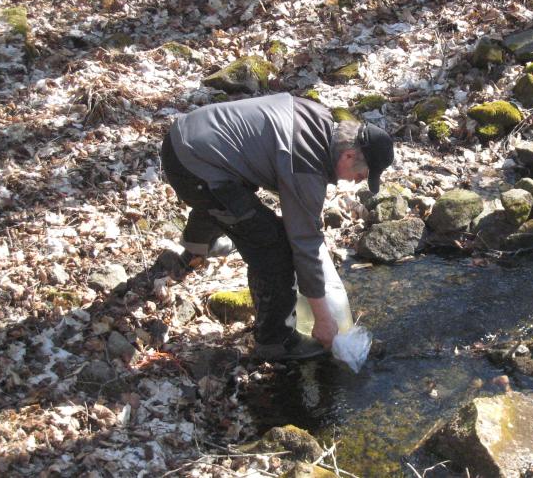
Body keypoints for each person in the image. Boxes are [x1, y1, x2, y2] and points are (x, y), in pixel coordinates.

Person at [157, 93, 394, 361]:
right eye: (360, 176)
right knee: (273, 245)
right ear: (349, 156)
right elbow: (303, 243)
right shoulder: (306, 165)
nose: (354, 182)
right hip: (193, 167)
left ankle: (197, 248)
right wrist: (324, 320)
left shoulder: (320, 119)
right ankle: (274, 341)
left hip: (187, 136)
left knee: (236, 200)